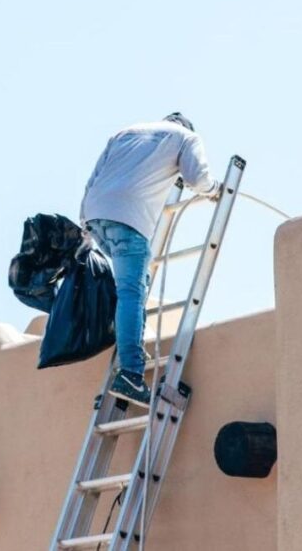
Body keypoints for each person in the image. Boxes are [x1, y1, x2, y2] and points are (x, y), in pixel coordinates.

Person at [80, 112, 219, 407]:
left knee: (136, 284)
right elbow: (197, 177)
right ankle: (131, 373)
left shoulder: (124, 133)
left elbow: (92, 181)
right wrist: (214, 190)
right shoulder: (185, 138)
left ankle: (132, 352)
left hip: (96, 215)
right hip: (129, 220)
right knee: (131, 292)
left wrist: (86, 229)